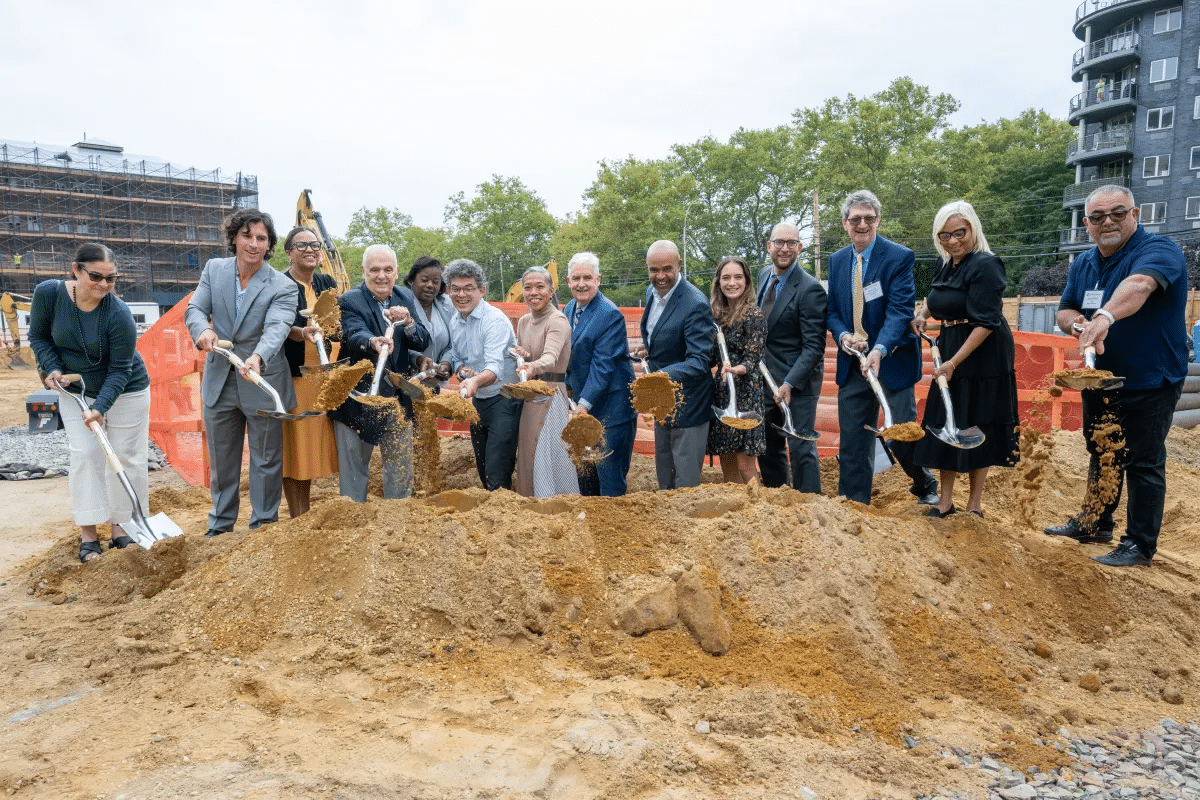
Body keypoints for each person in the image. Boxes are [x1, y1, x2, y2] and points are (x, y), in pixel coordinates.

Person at [1044, 185, 1188, 567]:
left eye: (1117, 213)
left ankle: (1139, 545)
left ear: (1135, 214)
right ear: (1087, 224)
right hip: (1100, 377)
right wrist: (1078, 325)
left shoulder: (1158, 251)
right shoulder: (1084, 263)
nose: (1107, 221)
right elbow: (1065, 309)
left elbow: (1139, 285)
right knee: (1102, 450)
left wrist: (1105, 317)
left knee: (1143, 461)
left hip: (1149, 378)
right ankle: (1095, 523)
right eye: (1097, 217)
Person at [29, 243, 151, 562]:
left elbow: (120, 369)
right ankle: (88, 534)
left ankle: (123, 528)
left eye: (111, 279)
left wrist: (101, 408)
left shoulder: (118, 314)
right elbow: (38, 337)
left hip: (126, 389)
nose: (103, 285)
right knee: (85, 453)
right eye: (95, 276)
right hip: (76, 388)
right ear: (76, 269)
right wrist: (51, 367)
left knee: (126, 456)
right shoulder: (49, 294)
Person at [185, 209, 297, 537]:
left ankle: (263, 528)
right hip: (220, 380)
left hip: (261, 380)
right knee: (223, 462)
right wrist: (200, 332)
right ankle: (220, 527)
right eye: (247, 235)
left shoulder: (281, 285)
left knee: (265, 461)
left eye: (261, 238)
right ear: (234, 237)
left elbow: (277, 327)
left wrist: (259, 356)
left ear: (269, 246)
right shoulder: (214, 270)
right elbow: (195, 308)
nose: (253, 243)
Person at [826, 190, 938, 506]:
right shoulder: (836, 261)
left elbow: (900, 311)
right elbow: (832, 311)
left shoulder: (898, 257)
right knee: (853, 440)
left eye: (869, 218)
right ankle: (852, 502)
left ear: (878, 220)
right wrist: (844, 335)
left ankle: (923, 481)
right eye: (855, 219)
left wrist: (879, 349)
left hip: (890, 360)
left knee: (900, 435)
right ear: (845, 223)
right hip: (853, 362)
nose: (862, 224)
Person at [911, 201, 1020, 519]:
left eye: (960, 232)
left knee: (978, 423)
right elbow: (940, 297)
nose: (953, 241)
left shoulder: (986, 264)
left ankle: (974, 503)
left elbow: (986, 323)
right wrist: (922, 314)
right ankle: (945, 501)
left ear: (973, 228)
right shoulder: (948, 263)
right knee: (948, 420)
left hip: (982, 352)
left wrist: (953, 363)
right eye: (945, 235)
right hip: (952, 343)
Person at [328, 244, 429, 502]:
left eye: (387, 270)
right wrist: (373, 341)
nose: (381, 276)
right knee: (354, 472)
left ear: (396, 272)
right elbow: (352, 333)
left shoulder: (405, 296)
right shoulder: (350, 300)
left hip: (396, 400)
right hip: (357, 398)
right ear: (364, 271)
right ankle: (353, 522)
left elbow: (421, 340)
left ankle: (397, 522)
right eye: (374, 270)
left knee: (400, 470)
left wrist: (408, 323)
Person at [635, 240, 715, 490]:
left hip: (689, 404)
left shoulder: (695, 303)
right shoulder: (652, 293)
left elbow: (700, 361)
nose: (660, 277)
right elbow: (666, 333)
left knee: (685, 482)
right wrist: (651, 347)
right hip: (664, 402)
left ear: (679, 265)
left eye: (667, 269)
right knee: (665, 475)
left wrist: (658, 376)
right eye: (653, 270)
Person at [439, 258, 522, 491]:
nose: (461, 294)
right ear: (448, 290)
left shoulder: (493, 321)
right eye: (455, 288)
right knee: (483, 467)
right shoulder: (456, 320)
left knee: (497, 471)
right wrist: (460, 371)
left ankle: (505, 519)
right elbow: (457, 357)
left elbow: (494, 368)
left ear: (482, 291)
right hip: (479, 402)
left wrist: (474, 380)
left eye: (468, 288)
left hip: (504, 400)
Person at [757, 223, 827, 493]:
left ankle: (811, 502)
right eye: (779, 242)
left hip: (798, 382)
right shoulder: (764, 276)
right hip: (766, 379)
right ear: (769, 246)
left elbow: (813, 347)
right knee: (767, 442)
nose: (784, 248)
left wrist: (790, 383)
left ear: (799, 247)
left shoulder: (810, 289)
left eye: (791, 243)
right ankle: (779, 497)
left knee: (800, 445)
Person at [562, 252, 637, 496]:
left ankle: (614, 532)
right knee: (585, 477)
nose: (581, 283)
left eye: (587, 277)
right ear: (568, 281)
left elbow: (602, 367)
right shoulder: (570, 308)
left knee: (609, 480)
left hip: (611, 411)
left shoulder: (609, 314)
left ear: (598, 279)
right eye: (576, 278)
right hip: (584, 407)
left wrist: (582, 406)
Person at [279, 226, 339, 518]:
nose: (311, 250)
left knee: (317, 445)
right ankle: (297, 514)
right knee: (295, 448)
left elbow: (337, 322)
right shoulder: (279, 284)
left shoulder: (327, 282)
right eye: (301, 245)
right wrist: (300, 332)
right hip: (294, 376)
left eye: (315, 245)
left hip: (324, 377)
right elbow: (276, 324)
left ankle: (310, 511)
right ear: (288, 253)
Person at [512, 265, 578, 497]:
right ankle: (533, 501)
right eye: (528, 287)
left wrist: (532, 365)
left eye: (540, 286)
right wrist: (522, 355)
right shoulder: (523, 322)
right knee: (529, 451)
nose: (533, 292)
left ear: (551, 291)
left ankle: (552, 502)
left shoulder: (557, 321)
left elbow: (550, 357)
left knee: (544, 454)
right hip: (530, 397)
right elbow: (526, 356)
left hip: (550, 397)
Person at [706, 256, 766, 484]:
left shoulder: (754, 315)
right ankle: (736, 514)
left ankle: (759, 511)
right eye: (726, 277)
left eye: (738, 277)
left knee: (746, 465)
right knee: (727, 460)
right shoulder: (716, 317)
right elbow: (711, 357)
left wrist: (737, 369)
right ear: (718, 282)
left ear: (746, 281)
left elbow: (753, 358)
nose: (732, 282)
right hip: (722, 392)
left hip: (746, 393)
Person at [404, 255, 454, 382]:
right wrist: (418, 360)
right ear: (412, 280)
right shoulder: (401, 303)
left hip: (434, 384)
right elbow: (396, 345)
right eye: (424, 280)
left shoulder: (448, 305)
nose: (430, 285)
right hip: (406, 382)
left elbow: (453, 344)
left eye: (435, 282)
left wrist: (446, 364)